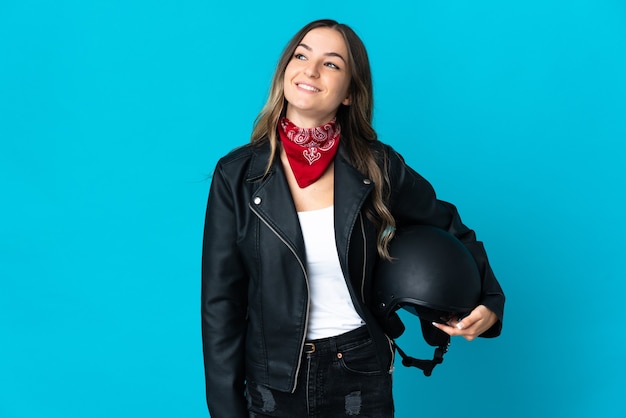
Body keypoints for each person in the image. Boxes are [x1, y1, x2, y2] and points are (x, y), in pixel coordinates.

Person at [201, 19, 505, 418]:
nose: (310, 70)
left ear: (349, 93)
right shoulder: (236, 174)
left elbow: (448, 225)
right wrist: (226, 410)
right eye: (301, 55)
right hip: (273, 380)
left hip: (361, 368)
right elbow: (220, 302)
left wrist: (490, 301)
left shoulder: (377, 165)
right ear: (285, 70)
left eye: (331, 64)